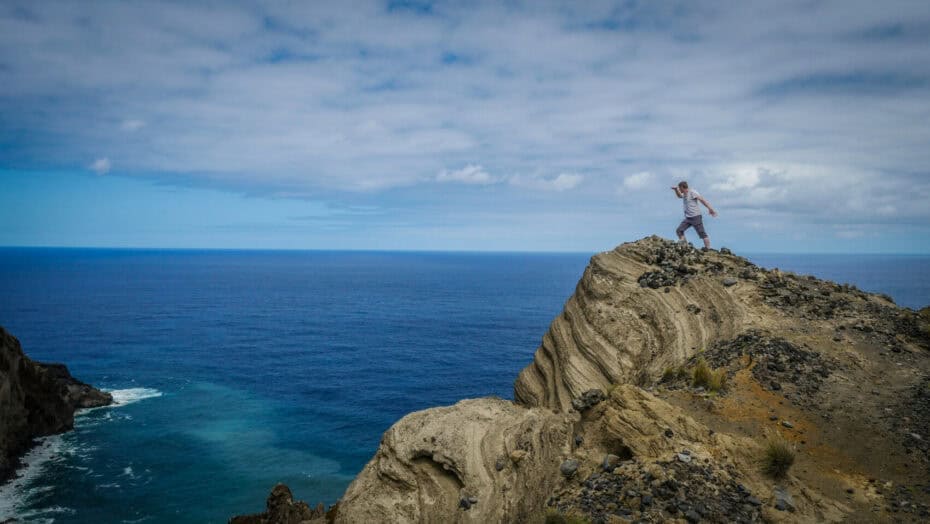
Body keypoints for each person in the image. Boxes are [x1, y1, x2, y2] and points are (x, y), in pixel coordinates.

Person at [670, 181, 718, 249]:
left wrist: (710, 209)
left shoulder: (692, 192)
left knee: (702, 233)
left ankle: (708, 249)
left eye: (679, 188)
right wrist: (675, 190)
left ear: (682, 187)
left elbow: (702, 200)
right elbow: (679, 196)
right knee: (679, 230)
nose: (679, 190)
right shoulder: (684, 194)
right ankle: (685, 246)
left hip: (696, 217)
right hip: (688, 218)